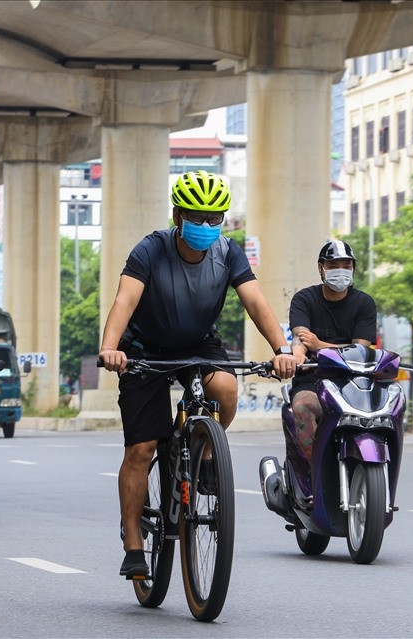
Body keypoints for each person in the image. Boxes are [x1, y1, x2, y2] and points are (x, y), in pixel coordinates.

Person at [98, 170, 296, 579]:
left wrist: (282, 350)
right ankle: (133, 541)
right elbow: (124, 300)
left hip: (197, 343)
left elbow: (256, 303)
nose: (206, 225)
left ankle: (204, 452)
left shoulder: (229, 253)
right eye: (196, 216)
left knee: (225, 387)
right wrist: (110, 348)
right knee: (142, 448)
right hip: (143, 349)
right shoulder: (149, 250)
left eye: (214, 218)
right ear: (176, 215)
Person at [287, 240, 377, 475]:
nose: (341, 270)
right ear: (321, 268)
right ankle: (318, 474)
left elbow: (362, 348)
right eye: (334, 264)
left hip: (355, 383)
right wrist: (298, 355)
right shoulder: (304, 299)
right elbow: (300, 338)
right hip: (312, 381)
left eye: (346, 265)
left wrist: (320, 346)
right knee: (303, 408)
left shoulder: (364, 303)